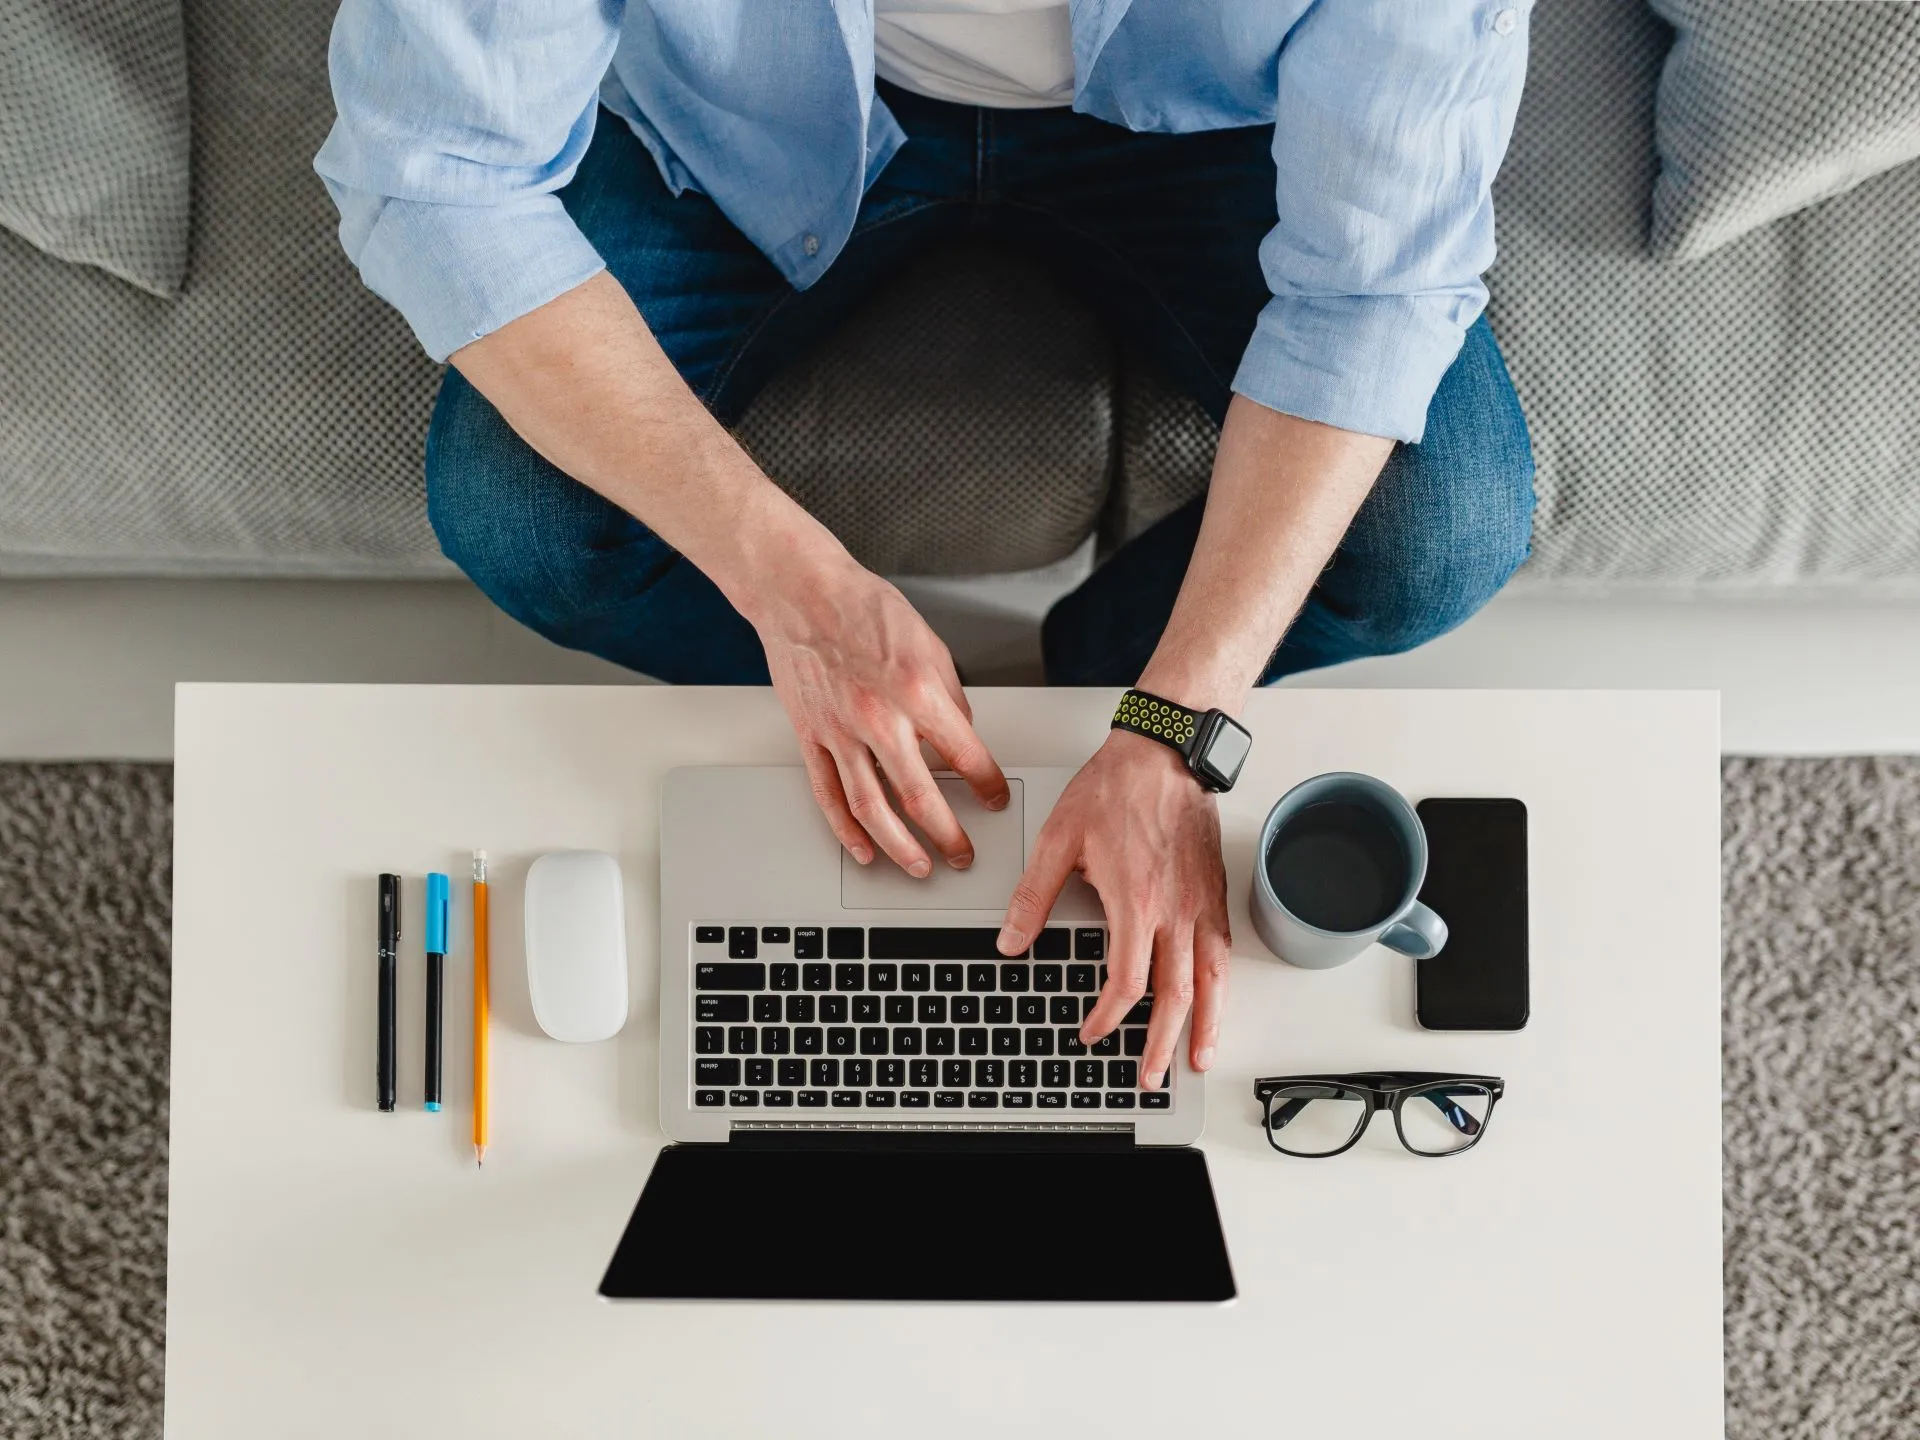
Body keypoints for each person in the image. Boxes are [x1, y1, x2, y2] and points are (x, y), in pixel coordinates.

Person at [315, 0, 1535, 1095]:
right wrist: (795, 590)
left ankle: (1082, 696)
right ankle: (863, 731)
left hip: (1204, 119)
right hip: (751, 107)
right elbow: (435, 171)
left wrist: (1175, 722)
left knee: (1440, 531)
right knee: (518, 516)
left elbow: (1374, 289)